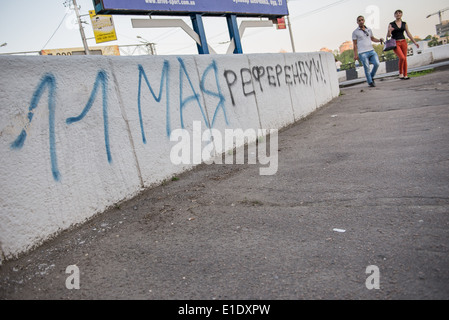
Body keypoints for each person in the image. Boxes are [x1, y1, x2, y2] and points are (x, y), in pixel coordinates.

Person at [387, 9, 420, 80]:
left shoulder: (404, 23)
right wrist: (389, 31)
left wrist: (415, 42)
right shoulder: (391, 24)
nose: (398, 14)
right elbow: (388, 36)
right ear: (394, 15)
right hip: (395, 43)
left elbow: (408, 33)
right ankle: (400, 73)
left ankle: (405, 75)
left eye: (399, 13)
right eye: (396, 13)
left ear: (401, 14)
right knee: (402, 58)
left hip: (403, 42)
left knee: (405, 59)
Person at [352, 16, 384, 87]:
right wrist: (355, 55)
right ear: (357, 22)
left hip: (371, 50)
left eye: (362, 20)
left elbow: (372, 38)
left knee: (377, 63)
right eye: (359, 20)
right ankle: (370, 82)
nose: (361, 21)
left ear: (364, 21)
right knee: (367, 67)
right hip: (362, 53)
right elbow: (354, 44)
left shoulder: (369, 29)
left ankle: (371, 77)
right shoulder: (355, 32)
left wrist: (379, 40)